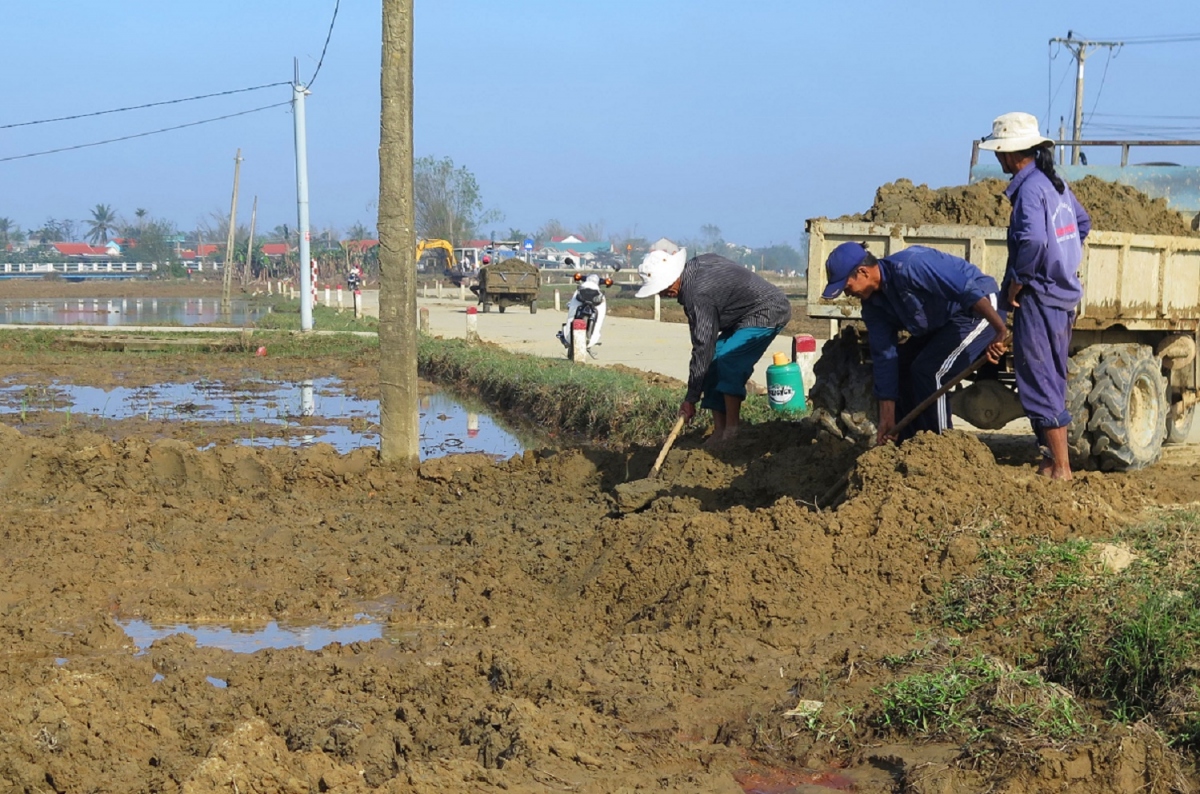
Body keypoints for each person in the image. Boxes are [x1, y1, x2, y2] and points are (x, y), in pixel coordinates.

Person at [979, 111, 1090, 480]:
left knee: (1039, 378)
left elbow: (1034, 240)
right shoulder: (1053, 184)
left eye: (999, 153)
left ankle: (1061, 467)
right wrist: (1064, 256)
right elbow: (1082, 224)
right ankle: (1048, 459)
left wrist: (1020, 280)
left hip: (1040, 296)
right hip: (1062, 295)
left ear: (1010, 155)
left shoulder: (1028, 190)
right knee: (1050, 376)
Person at [822, 242, 1009, 445]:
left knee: (931, 371)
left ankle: (940, 447)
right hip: (944, 322)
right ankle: (910, 445)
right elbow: (885, 357)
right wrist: (887, 419)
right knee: (902, 368)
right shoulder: (873, 306)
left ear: (862, 272)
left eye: (846, 287)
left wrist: (1000, 329)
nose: (847, 294)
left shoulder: (911, 267)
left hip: (979, 308)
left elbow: (967, 291)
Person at [636, 249, 791, 446]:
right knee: (713, 362)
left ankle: (732, 429)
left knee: (728, 359)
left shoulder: (697, 293)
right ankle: (719, 430)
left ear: (673, 279)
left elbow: (702, 345)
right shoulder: (696, 266)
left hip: (768, 309)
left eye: (663, 288)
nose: (663, 294)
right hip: (741, 315)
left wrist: (691, 398)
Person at [557, 273, 607, 351]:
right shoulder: (582, 286)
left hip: (594, 297)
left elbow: (610, 282)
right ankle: (567, 333)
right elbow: (576, 276)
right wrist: (577, 276)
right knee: (571, 307)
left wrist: (609, 281)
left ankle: (592, 337)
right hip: (583, 294)